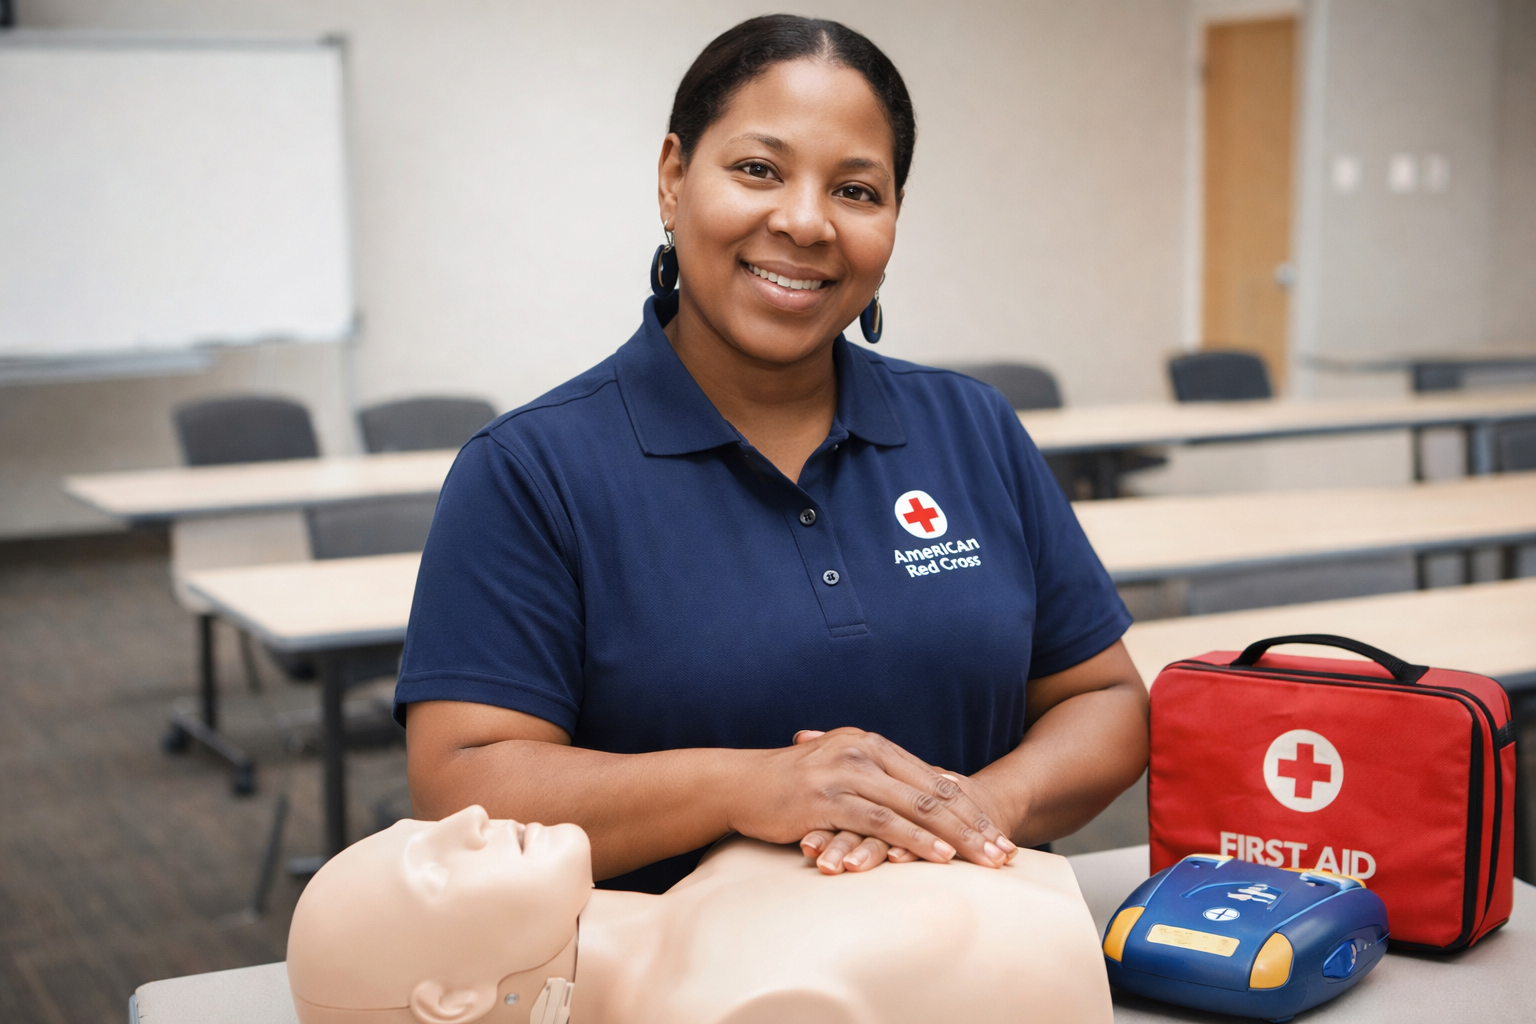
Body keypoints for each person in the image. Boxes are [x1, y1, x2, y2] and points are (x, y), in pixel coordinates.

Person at [398, 14, 1148, 893]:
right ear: (674, 179)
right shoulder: (529, 470)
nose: (804, 222)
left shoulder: (971, 424)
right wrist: (750, 786)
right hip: (681, 989)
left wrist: (974, 808)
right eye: (759, 170)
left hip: (984, 966)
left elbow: (1103, 700)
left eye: (856, 191)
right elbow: (459, 788)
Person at [286, 806, 1113, 1024]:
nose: (467, 820)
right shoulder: (733, 1009)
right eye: (436, 868)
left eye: (430, 832)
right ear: (452, 998)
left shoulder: (683, 906)